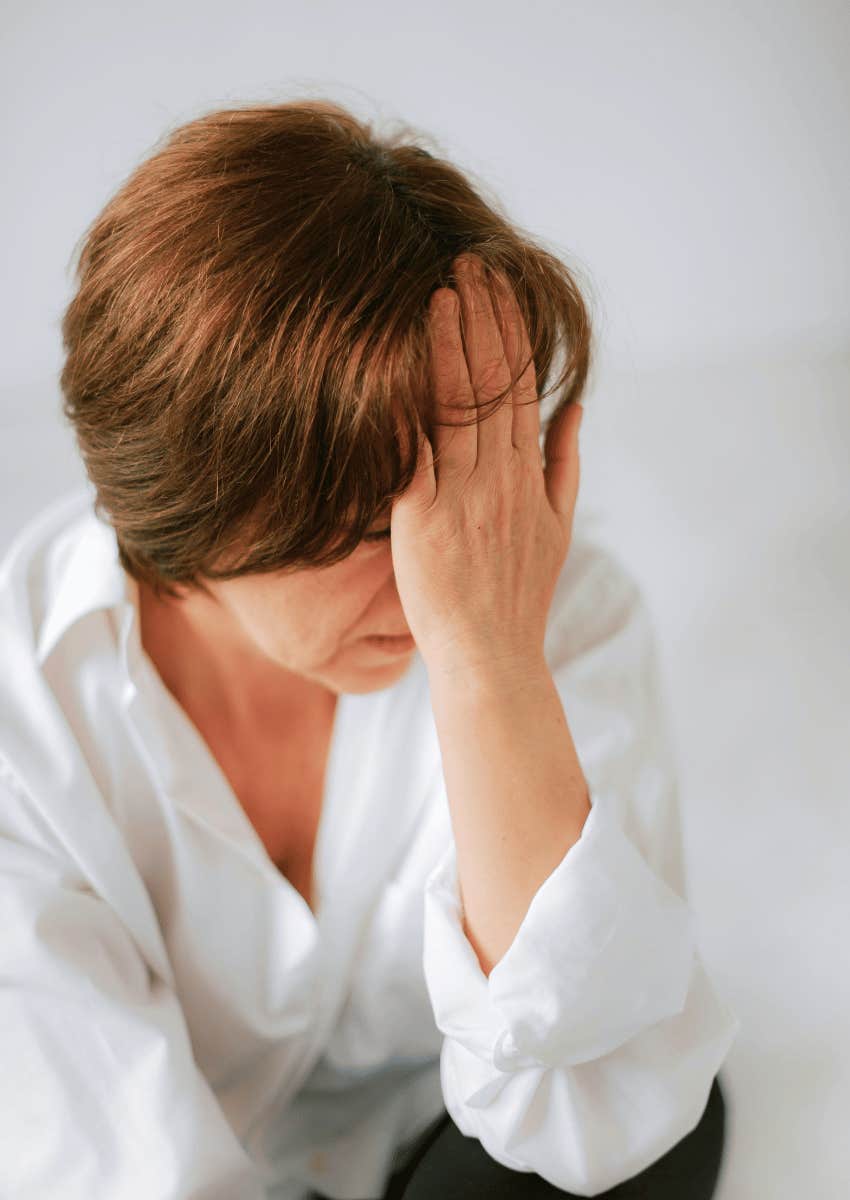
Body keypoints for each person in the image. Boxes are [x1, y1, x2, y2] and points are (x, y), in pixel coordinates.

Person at [0, 98, 740, 1199]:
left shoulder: (543, 608)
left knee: (663, 1112)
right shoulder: (30, 715)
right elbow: (113, 1169)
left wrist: (491, 667)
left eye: (469, 484)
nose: (445, 568)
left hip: (448, 1142)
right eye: (367, 530)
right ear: (202, 516)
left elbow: (610, 1097)